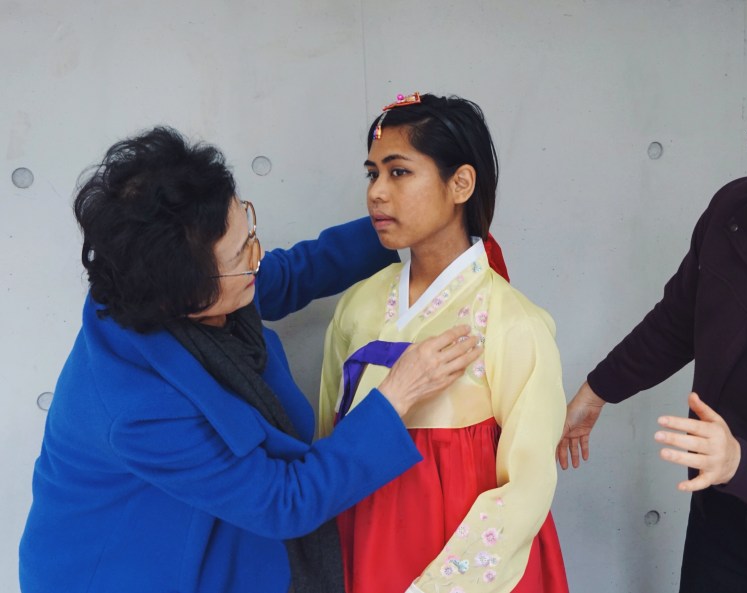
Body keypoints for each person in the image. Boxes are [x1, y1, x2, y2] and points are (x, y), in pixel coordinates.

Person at [18, 126, 482, 593]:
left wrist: (400, 223)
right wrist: (396, 395)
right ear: (186, 296)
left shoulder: (197, 280)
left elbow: (296, 272)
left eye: (249, 231)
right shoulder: (138, 409)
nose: (257, 257)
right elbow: (284, 502)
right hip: (125, 573)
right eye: (241, 254)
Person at [557, 47, 747, 593]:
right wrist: (597, 391)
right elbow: (680, 318)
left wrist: (741, 464)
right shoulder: (739, 217)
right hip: (723, 512)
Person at [318, 93, 570, 593]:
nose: (376, 193)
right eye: (372, 174)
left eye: (399, 172)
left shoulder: (513, 323)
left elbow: (528, 487)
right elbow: (327, 445)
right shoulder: (357, 309)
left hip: (463, 565)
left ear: (461, 184)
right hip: (364, 547)